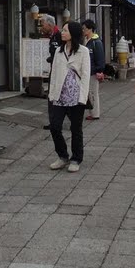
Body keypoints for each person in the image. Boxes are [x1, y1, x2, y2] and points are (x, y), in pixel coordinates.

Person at [47, 21, 91, 173]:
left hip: (76, 97)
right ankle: (62, 156)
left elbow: (85, 76)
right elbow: (54, 75)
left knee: (76, 129)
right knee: (54, 126)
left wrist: (83, 99)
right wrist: (51, 95)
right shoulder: (59, 51)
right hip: (59, 96)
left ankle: (76, 158)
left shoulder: (83, 51)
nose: (62, 32)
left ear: (73, 33)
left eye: (65, 30)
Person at [39, 14, 63, 130]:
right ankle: (53, 122)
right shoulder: (52, 36)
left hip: (60, 72)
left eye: (42, 24)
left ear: (49, 24)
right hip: (53, 70)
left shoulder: (59, 36)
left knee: (57, 97)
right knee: (51, 96)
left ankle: (57, 121)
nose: (41, 27)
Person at [82, 19, 105, 121]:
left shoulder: (96, 42)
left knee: (93, 92)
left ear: (90, 29)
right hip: (88, 71)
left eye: (84, 29)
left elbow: (100, 58)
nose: (83, 31)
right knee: (90, 92)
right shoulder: (86, 41)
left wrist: (98, 70)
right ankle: (92, 112)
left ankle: (95, 113)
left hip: (93, 72)